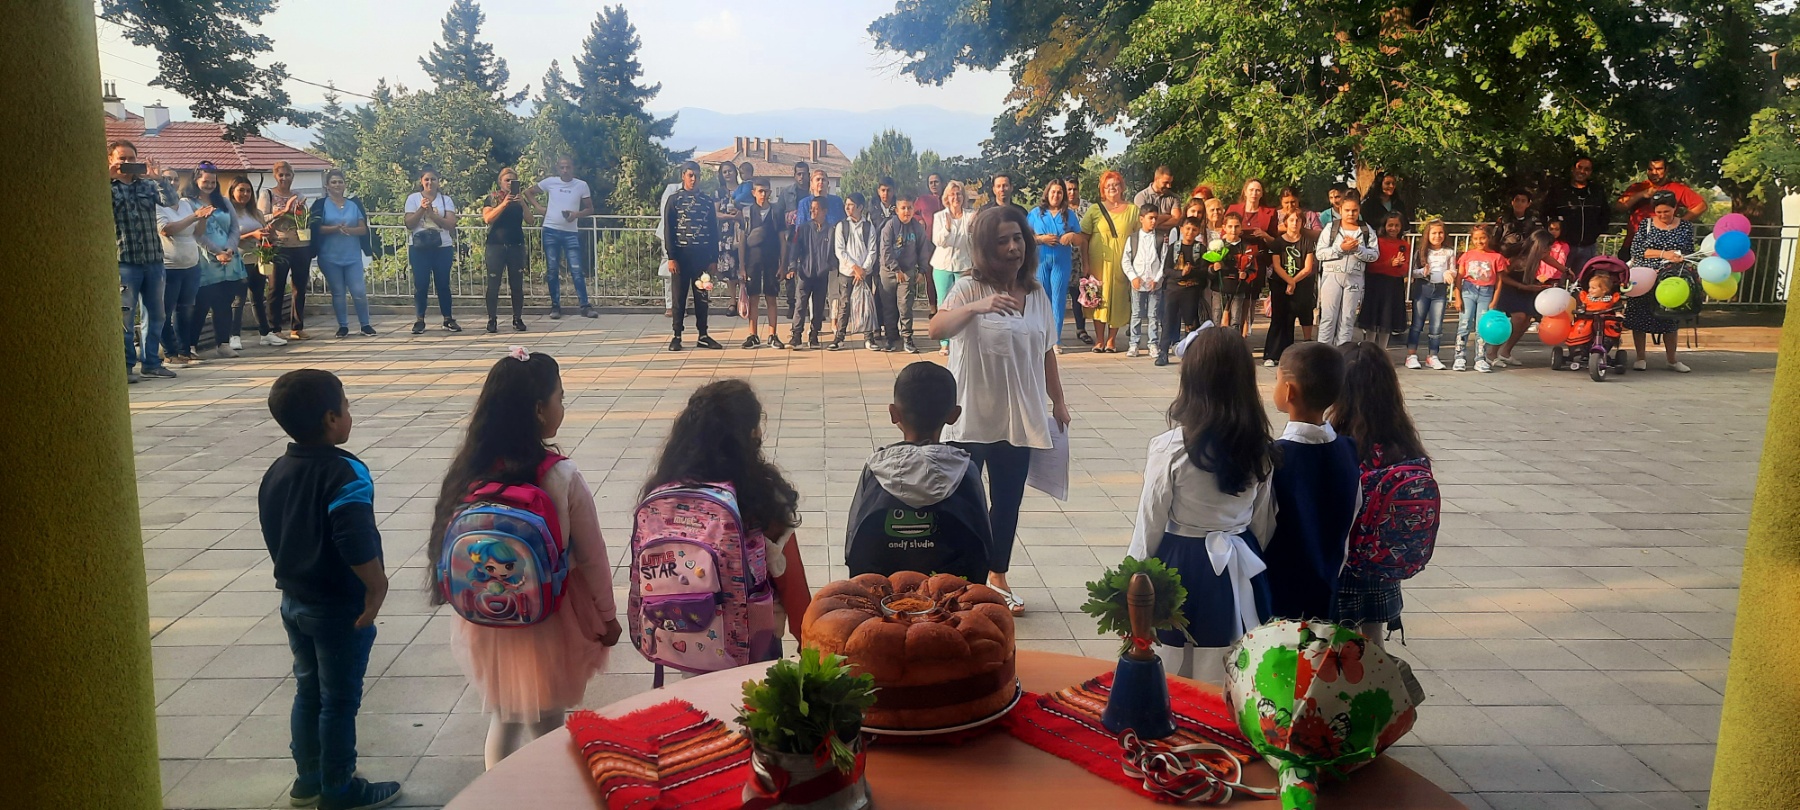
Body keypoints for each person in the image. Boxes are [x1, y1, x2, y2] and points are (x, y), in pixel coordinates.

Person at [429, 351, 621, 768]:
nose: (562, 406)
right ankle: (544, 791)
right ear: (538, 410)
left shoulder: (469, 470)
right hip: (549, 618)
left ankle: (497, 790)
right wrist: (607, 616)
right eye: (560, 398)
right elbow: (593, 556)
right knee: (547, 722)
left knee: (503, 717)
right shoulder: (561, 475)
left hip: (486, 618)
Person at [259, 369, 400, 810]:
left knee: (308, 691)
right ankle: (339, 789)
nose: (349, 413)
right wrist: (376, 586)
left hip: (294, 601)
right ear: (331, 419)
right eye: (347, 406)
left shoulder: (277, 470)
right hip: (338, 608)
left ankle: (308, 780)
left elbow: (273, 530)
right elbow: (353, 537)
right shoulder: (347, 472)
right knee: (338, 701)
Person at [928, 206, 1073, 615]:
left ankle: (997, 577)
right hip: (971, 419)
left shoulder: (1037, 293)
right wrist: (978, 307)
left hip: (1020, 419)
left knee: (1007, 504)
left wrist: (1058, 401)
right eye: (1002, 241)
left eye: (1018, 238)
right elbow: (936, 329)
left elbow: (1046, 350)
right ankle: (959, 582)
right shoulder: (968, 288)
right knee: (963, 506)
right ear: (986, 248)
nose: (1013, 248)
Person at [1128, 327, 1276, 684]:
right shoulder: (1261, 448)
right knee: (1232, 659)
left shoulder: (1170, 448)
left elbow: (1150, 521)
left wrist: (1131, 582)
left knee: (1174, 663)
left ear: (1191, 381)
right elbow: (1262, 523)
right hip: (1239, 563)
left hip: (1181, 562)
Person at [643, 380, 813, 646]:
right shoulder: (760, 494)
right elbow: (792, 584)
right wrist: (809, 641)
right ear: (748, 435)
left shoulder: (664, 490)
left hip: (684, 634)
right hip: (752, 641)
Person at [846, 361, 992, 583]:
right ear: (954, 415)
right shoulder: (965, 469)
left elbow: (854, 545)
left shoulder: (876, 468)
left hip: (881, 597)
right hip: (953, 597)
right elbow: (984, 543)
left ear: (893, 413)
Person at [1331, 342, 1434, 646]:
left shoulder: (1339, 443)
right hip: (1384, 561)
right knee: (1372, 635)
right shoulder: (1402, 442)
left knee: (1339, 642)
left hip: (1345, 561)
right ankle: (1377, 674)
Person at [1264, 342, 1359, 622]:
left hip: (1277, 592)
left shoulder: (1274, 457)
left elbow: (1261, 528)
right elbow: (1351, 515)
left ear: (1289, 391)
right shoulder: (1349, 450)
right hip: (1326, 586)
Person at [111, 140, 175, 382]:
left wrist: (159, 179)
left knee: (156, 315)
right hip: (125, 261)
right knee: (125, 317)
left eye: (131, 158)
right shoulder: (107, 186)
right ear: (111, 160)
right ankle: (126, 366)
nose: (127, 163)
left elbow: (171, 201)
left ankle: (151, 363)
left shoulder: (147, 185)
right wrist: (106, 179)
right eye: (122, 158)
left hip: (153, 260)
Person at [1624, 193, 1697, 373]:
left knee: (1670, 318)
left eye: (1667, 211)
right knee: (1639, 316)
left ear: (1675, 209)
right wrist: (1664, 254)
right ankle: (1640, 357)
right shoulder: (1646, 224)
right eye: (1659, 212)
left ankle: (1672, 360)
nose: (1663, 215)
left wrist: (1680, 258)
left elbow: (1689, 251)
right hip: (1644, 276)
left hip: (1671, 277)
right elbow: (1637, 250)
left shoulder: (1686, 226)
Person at [662, 161, 723, 351]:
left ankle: (703, 335)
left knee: (702, 298)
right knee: (679, 298)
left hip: (702, 258)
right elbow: (668, 230)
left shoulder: (707, 201)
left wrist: (714, 258)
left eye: (696, 175)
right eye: (690, 175)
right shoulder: (674, 200)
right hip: (681, 257)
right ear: (683, 176)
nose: (694, 179)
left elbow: (713, 231)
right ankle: (677, 336)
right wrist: (671, 257)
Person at [308, 170, 374, 339]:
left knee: (358, 291)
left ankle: (365, 325)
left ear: (345, 185)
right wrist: (335, 229)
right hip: (329, 257)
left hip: (352, 256)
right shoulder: (321, 204)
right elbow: (315, 228)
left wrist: (349, 230)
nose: (337, 185)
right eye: (333, 182)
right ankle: (343, 326)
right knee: (338, 292)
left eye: (340, 182)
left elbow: (363, 229)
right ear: (327, 186)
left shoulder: (353, 204)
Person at [188, 172, 247, 358]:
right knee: (201, 304)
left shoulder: (224, 202)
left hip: (229, 259)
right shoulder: (188, 203)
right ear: (196, 180)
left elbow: (235, 228)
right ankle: (190, 345)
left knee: (224, 303)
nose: (209, 185)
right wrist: (217, 252)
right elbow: (195, 233)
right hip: (205, 260)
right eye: (205, 181)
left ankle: (223, 343)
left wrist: (229, 248)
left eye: (213, 182)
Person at [1081, 170, 1139, 353]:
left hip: (1123, 263)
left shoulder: (1133, 210)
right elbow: (1083, 237)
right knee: (1097, 298)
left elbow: (1140, 236)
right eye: (1108, 186)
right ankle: (1099, 340)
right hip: (1098, 262)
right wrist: (1085, 263)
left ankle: (1112, 340)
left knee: (1119, 299)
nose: (1112, 188)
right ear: (1103, 190)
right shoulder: (1095, 209)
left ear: (1122, 187)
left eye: (1115, 184)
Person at [156, 174, 208, 367]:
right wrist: (195, 216)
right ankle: (170, 353)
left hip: (191, 265)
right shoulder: (157, 204)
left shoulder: (185, 204)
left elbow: (197, 232)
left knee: (185, 310)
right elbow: (166, 229)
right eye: (167, 179)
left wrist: (203, 218)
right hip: (169, 267)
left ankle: (185, 351)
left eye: (175, 179)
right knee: (165, 312)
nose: (172, 183)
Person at [1313, 195, 1380, 346]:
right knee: (1328, 317)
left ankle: (1343, 352)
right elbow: (1320, 253)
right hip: (1332, 277)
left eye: (1354, 210)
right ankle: (1323, 352)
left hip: (1354, 278)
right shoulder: (1331, 228)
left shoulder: (1366, 230)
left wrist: (1358, 249)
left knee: (1347, 318)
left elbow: (1375, 254)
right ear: (1340, 210)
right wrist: (1340, 248)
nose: (1351, 214)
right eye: (1347, 210)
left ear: (1359, 210)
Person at [534, 157, 596, 319]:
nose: (565, 170)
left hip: (570, 233)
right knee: (552, 270)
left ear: (573, 168)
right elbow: (528, 192)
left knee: (576, 269)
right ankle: (555, 306)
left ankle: (585, 305)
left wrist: (576, 214)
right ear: (557, 168)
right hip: (550, 231)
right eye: (562, 167)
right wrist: (539, 207)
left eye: (568, 167)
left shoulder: (581, 185)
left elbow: (590, 209)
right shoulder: (550, 182)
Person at [260, 160, 314, 341]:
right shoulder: (267, 194)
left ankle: (297, 327)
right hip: (278, 245)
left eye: (287, 175)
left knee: (300, 287)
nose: (284, 178)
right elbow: (261, 218)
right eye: (280, 175)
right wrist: (283, 211)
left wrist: (298, 212)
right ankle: (274, 328)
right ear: (275, 176)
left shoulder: (298, 195)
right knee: (276, 287)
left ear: (293, 176)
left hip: (300, 245)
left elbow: (305, 217)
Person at [1489, 228, 1555, 368]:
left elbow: (1548, 259)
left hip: (1527, 287)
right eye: (1547, 247)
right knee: (1518, 317)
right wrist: (1522, 286)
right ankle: (1492, 352)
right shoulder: (1519, 257)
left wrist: (1564, 269)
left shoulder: (1539, 255)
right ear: (1538, 246)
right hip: (1511, 287)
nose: (1549, 250)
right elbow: (1503, 276)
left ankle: (1506, 352)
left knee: (1527, 319)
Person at [404, 170, 460, 335]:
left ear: (438, 181)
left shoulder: (445, 200)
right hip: (419, 247)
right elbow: (409, 223)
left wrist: (432, 215)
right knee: (421, 284)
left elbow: (450, 224)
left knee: (443, 284)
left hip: (442, 246)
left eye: (433, 179)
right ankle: (420, 319)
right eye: (426, 179)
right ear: (421, 181)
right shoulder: (413, 198)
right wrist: (422, 209)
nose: (430, 182)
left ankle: (448, 318)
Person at [1027, 179, 1081, 350]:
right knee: (1042, 300)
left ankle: (1055, 340)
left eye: (1059, 192)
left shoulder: (1069, 214)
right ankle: (1040, 337)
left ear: (1063, 195)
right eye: (1053, 192)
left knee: (1058, 300)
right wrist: (1041, 239)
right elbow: (1025, 237)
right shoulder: (1036, 213)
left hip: (1061, 262)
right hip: (1041, 262)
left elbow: (1080, 239)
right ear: (1047, 193)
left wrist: (1071, 236)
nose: (1056, 195)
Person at [1618, 157, 1705, 258]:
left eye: (1659, 169)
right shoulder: (1638, 187)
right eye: (1650, 169)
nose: (1654, 172)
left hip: (1663, 246)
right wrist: (1642, 194)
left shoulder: (1677, 188)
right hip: (1633, 243)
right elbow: (1620, 206)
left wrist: (1678, 223)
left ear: (1666, 169)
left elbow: (1701, 206)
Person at [1264, 210, 1318, 365]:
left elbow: (1307, 267)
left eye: (1298, 220)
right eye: (1292, 220)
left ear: (1302, 223)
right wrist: (1289, 281)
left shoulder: (1307, 242)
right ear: (1286, 222)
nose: (1295, 223)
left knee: (1294, 316)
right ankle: (1272, 354)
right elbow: (1276, 265)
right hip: (1280, 283)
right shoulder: (1277, 242)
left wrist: (1294, 281)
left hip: (1302, 284)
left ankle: (1289, 354)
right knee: (1279, 318)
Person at [482, 168, 531, 334]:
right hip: (496, 245)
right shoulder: (493, 197)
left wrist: (522, 203)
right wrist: (504, 204)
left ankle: (517, 318)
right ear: (500, 182)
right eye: (507, 180)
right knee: (493, 284)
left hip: (516, 245)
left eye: (513, 180)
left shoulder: (520, 199)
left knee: (517, 284)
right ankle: (492, 319)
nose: (510, 183)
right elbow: (488, 218)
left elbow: (530, 220)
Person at [878, 197, 929, 353]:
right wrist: (896, 269)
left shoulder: (917, 228)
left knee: (905, 305)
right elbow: (885, 250)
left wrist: (922, 270)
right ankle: (891, 338)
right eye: (903, 208)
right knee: (889, 307)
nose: (907, 211)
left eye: (910, 208)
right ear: (897, 210)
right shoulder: (889, 226)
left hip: (907, 272)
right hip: (889, 271)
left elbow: (923, 250)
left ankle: (907, 337)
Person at [1544, 156, 1611, 275]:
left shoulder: (1597, 191)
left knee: (1582, 281)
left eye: (1586, 169)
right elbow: (1545, 213)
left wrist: (1595, 232)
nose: (1582, 171)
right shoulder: (1559, 190)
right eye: (1579, 167)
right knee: (1558, 280)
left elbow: (1605, 214)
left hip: (1588, 246)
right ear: (1573, 169)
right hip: (1562, 247)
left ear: (1590, 172)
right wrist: (1554, 236)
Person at [931, 180, 977, 354]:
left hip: (964, 265)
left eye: (958, 194)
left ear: (963, 197)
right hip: (942, 265)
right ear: (947, 198)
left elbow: (973, 243)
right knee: (944, 303)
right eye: (952, 194)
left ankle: (961, 339)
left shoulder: (971, 215)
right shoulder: (940, 216)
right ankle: (945, 342)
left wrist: (971, 230)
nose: (955, 197)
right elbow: (938, 241)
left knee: (962, 303)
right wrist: (948, 229)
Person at [1450, 225, 1504, 372]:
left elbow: (1499, 281)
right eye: (1475, 238)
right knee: (1464, 323)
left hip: (1486, 293)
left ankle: (1480, 358)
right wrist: (1457, 297)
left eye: (1483, 238)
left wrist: (1494, 300)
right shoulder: (1467, 256)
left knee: (1482, 327)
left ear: (1489, 238)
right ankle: (1459, 356)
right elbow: (1459, 277)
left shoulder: (1496, 257)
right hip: (1468, 290)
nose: (1479, 241)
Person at [740, 178, 785, 349]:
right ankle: (753, 335)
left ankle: (772, 335)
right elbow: (742, 240)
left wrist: (783, 264)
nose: (763, 194)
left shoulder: (776, 212)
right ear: (754, 193)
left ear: (770, 192)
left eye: (766, 191)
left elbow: (782, 240)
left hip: (772, 261)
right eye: (760, 191)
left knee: (771, 298)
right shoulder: (747, 213)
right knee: (753, 298)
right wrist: (742, 266)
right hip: (752, 261)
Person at [229, 178, 274, 349]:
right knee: (238, 299)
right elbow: (229, 238)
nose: (245, 194)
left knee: (258, 297)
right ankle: (234, 335)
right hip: (239, 260)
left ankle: (265, 333)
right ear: (232, 191)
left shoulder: (256, 213)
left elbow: (264, 234)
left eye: (248, 191)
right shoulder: (228, 213)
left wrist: (267, 234)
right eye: (241, 190)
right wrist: (251, 235)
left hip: (257, 259)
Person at [787, 197, 837, 349]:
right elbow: (795, 249)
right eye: (811, 208)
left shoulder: (831, 230)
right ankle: (796, 335)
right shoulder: (803, 228)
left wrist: (831, 266)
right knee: (800, 304)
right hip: (805, 272)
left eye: (816, 209)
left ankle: (814, 335)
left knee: (818, 306)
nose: (812, 211)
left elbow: (835, 252)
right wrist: (792, 267)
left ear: (824, 211)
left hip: (822, 274)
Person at [832, 192, 879, 351]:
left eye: (851, 205)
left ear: (860, 207)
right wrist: (854, 267)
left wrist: (863, 269)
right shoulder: (841, 226)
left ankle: (869, 338)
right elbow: (840, 251)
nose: (847, 208)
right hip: (847, 273)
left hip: (864, 274)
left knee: (866, 306)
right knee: (844, 305)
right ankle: (839, 337)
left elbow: (872, 250)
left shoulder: (868, 227)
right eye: (846, 205)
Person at [1404, 219, 1454, 370]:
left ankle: (1433, 356)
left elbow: (1453, 269)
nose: (1437, 236)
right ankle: (1411, 355)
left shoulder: (1449, 252)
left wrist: (1450, 273)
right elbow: (1412, 272)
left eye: (1440, 233)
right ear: (1428, 235)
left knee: (1436, 325)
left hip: (1440, 291)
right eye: (1434, 233)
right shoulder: (1421, 251)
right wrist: (1422, 272)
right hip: (1423, 288)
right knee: (1417, 324)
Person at [1357, 211, 1411, 349]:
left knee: (1387, 319)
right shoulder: (1377, 242)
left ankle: (1382, 350)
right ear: (1384, 225)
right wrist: (1389, 264)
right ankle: (1368, 348)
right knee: (1372, 318)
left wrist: (1399, 265)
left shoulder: (1404, 245)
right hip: (1376, 283)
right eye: (1390, 225)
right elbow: (1371, 266)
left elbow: (1405, 269)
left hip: (1393, 285)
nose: (1393, 228)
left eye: (1397, 225)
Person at [1162, 216, 1210, 366]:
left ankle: (1191, 354)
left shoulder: (1201, 249)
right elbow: (1166, 270)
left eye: (1194, 229)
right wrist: (1180, 273)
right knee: (1168, 321)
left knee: (1191, 323)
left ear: (1198, 231)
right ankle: (1163, 352)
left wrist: (1191, 272)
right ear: (1181, 229)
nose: (1190, 232)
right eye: (1187, 228)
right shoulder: (1173, 248)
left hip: (1191, 291)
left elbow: (1204, 271)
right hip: (1173, 290)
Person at [1212, 211, 1268, 337]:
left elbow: (1254, 269)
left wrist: (1246, 275)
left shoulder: (1248, 247)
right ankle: (1216, 345)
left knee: (1235, 321)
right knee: (1217, 320)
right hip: (1219, 289)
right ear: (1224, 227)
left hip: (1238, 289)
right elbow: (1208, 268)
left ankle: (1234, 345)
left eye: (1237, 226)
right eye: (1230, 226)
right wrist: (1214, 269)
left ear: (1241, 228)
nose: (1233, 230)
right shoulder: (1217, 246)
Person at [1120, 207, 1166, 358]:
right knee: (1136, 314)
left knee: (1153, 315)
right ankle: (1134, 343)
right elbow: (1126, 260)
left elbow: (1164, 261)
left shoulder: (1160, 238)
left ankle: (1153, 343)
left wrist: (1157, 279)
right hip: (1138, 283)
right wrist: (1133, 277)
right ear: (1141, 219)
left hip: (1154, 284)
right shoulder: (1133, 238)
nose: (1153, 221)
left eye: (1155, 218)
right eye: (1150, 218)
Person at [713, 162, 743, 318]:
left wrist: (739, 215)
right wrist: (729, 216)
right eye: (724, 172)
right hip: (725, 234)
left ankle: (744, 300)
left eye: (730, 171)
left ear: (735, 172)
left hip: (742, 231)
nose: (728, 174)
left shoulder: (743, 189)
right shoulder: (719, 192)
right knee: (730, 269)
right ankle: (732, 301)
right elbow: (715, 213)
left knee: (742, 266)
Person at [1065, 177, 1092, 345]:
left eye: (1074, 189)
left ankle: (1081, 329)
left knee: (1079, 295)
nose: (1072, 192)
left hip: (1081, 257)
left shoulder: (1089, 208)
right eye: (1068, 189)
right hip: (1062, 258)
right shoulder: (1059, 208)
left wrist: (1086, 263)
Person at [915, 172, 947, 314]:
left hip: (946, 243)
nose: (933, 185)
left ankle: (945, 306)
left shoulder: (948, 198)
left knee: (945, 274)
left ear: (942, 183)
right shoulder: (923, 200)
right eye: (931, 182)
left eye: (936, 182)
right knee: (930, 276)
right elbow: (913, 213)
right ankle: (933, 307)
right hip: (928, 243)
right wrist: (919, 220)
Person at [1133, 166, 1182, 243]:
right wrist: (1169, 216)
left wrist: (1153, 225)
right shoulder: (1141, 197)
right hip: (1147, 242)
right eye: (1165, 182)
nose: (1169, 186)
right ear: (1156, 179)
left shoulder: (1174, 198)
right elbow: (1143, 222)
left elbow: (1177, 220)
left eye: (1170, 183)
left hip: (1168, 242)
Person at [1225, 178, 1280, 247]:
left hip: (1260, 250)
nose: (1254, 193)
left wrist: (1265, 236)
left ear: (1262, 194)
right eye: (1251, 190)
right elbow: (1223, 235)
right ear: (1245, 192)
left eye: (1258, 190)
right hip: (1236, 249)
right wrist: (1234, 233)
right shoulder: (1233, 209)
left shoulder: (1271, 213)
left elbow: (1275, 241)